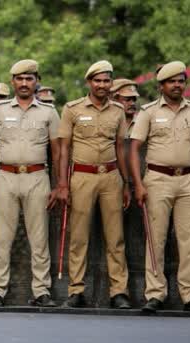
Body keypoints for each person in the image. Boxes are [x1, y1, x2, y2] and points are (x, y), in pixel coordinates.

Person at [130, 61, 190, 315]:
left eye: (181, 81)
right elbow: (134, 148)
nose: (177, 85)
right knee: (156, 239)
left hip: (188, 180)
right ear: (161, 85)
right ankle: (155, 294)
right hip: (157, 179)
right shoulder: (149, 112)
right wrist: (138, 183)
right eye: (172, 81)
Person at [0, 59, 60, 307]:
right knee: (2, 237)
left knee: (39, 238)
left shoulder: (48, 111)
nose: (24, 83)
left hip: (38, 177)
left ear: (37, 81)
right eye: (20, 79)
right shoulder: (0, 109)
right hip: (6, 176)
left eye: (29, 78)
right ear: (12, 82)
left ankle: (41, 291)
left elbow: (57, 151)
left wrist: (59, 185)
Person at [56, 60, 131, 309]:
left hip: (111, 176)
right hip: (82, 176)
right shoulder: (72, 109)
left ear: (111, 83)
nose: (102, 85)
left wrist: (127, 183)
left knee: (116, 237)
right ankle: (76, 290)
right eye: (97, 81)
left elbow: (121, 148)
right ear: (89, 82)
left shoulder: (118, 111)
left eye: (106, 81)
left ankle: (119, 292)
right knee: (78, 237)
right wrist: (62, 185)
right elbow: (64, 149)